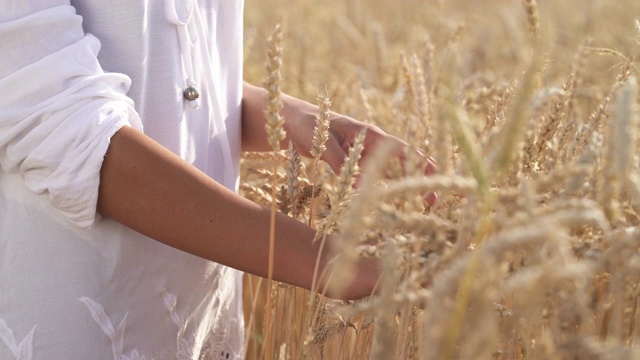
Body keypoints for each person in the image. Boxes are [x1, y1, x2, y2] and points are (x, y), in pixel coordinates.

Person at [0, 1, 436, 359]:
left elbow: (179, 76)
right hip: (76, 320)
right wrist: (330, 262)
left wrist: (291, 117)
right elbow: (59, 124)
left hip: (203, 323)